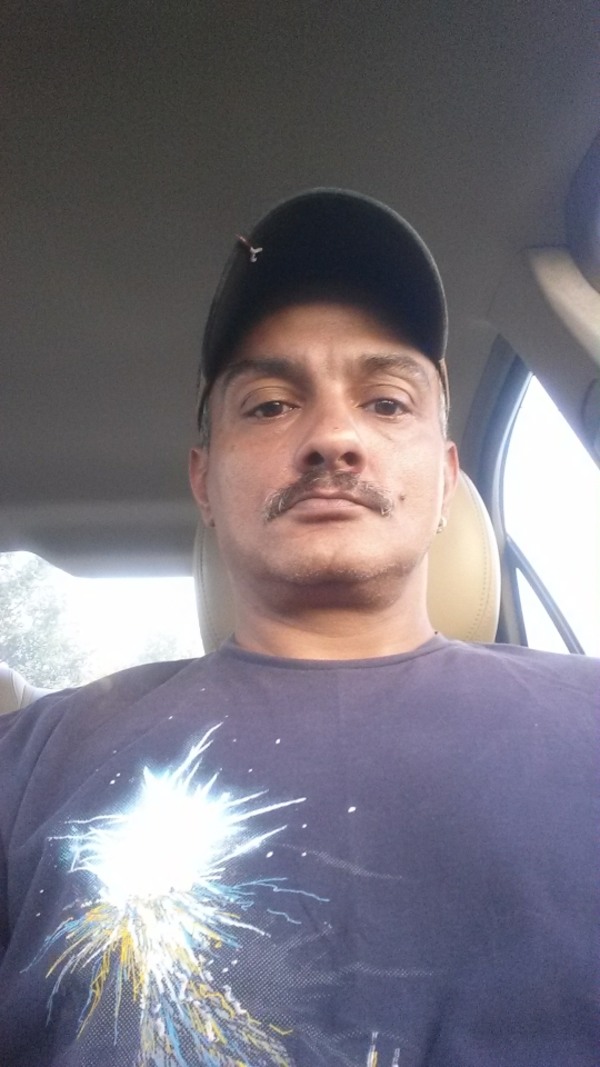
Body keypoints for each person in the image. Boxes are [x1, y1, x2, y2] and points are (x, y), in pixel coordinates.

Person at [0, 189, 597, 1067]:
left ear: (446, 476)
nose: (333, 438)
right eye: (271, 405)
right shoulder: (32, 757)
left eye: (386, 402)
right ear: (204, 480)